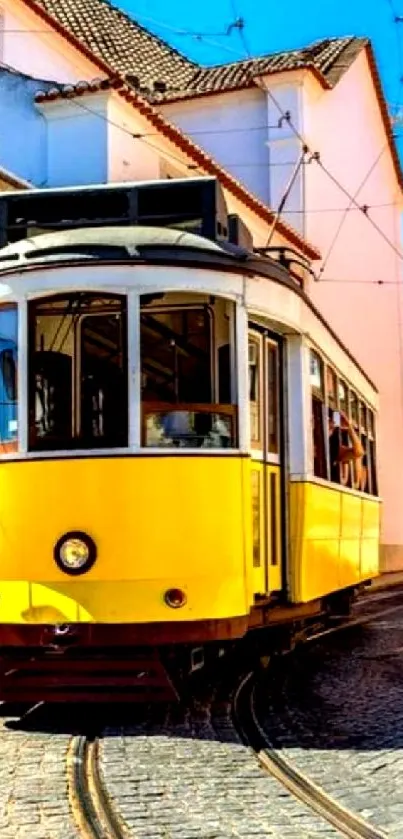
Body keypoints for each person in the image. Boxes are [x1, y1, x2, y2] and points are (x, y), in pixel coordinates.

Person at [328, 409, 364, 484]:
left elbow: (358, 452)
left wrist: (349, 428)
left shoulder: (332, 447)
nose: (330, 427)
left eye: (332, 426)